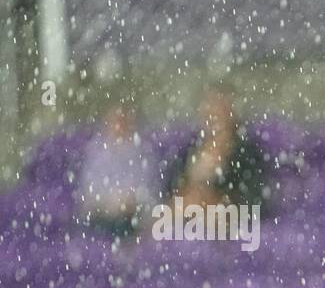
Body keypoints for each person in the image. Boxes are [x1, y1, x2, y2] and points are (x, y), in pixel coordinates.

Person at [165, 84, 268, 212]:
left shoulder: (247, 156)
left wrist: (208, 201)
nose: (214, 116)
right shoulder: (188, 151)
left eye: (221, 110)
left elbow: (251, 202)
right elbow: (171, 194)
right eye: (210, 110)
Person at [77, 103, 159, 239]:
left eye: (123, 121)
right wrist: (109, 202)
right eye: (115, 122)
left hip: (132, 217)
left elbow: (149, 188)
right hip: (102, 217)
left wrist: (129, 199)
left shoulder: (142, 153)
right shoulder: (96, 153)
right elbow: (89, 191)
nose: (119, 126)